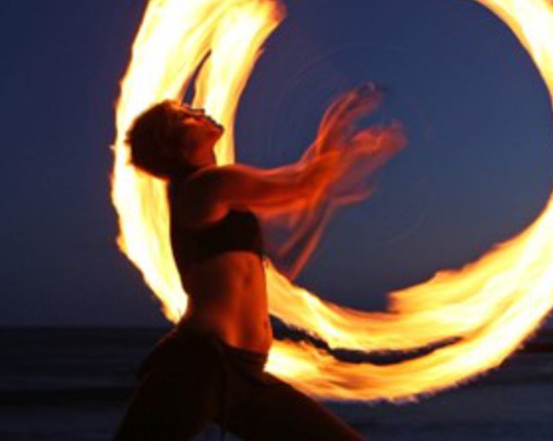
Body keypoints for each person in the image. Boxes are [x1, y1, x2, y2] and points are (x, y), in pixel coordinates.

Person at [114, 85, 404, 440]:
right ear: (176, 144)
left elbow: (290, 232)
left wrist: (331, 180)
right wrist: (337, 122)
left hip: (245, 374)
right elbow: (304, 181)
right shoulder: (208, 185)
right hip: (200, 367)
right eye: (184, 116)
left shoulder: (219, 197)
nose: (198, 111)